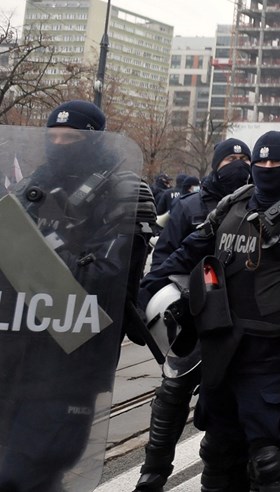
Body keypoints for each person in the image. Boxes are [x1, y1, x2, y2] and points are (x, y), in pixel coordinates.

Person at [139, 130, 280, 491]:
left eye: (276, 162)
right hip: (223, 351)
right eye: (261, 161)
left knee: (271, 464)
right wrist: (147, 291)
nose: (267, 168)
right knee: (220, 457)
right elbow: (191, 249)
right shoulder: (233, 205)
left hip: (275, 357)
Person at [0, 100, 156, 491]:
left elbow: (112, 275)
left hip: (71, 360)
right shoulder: (33, 183)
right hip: (15, 351)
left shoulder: (122, 190)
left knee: (26, 471)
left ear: (92, 139)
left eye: (69, 137)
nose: (58, 143)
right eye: (51, 135)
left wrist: (42, 253)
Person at [134, 138, 252, 492]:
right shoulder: (189, 208)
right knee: (172, 393)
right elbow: (166, 258)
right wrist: (148, 302)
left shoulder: (256, 206)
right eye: (230, 158)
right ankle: (152, 474)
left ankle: (220, 473)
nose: (238, 163)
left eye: (244, 158)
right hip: (193, 319)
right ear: (216, 164)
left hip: (239, 322)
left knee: (228, 405)